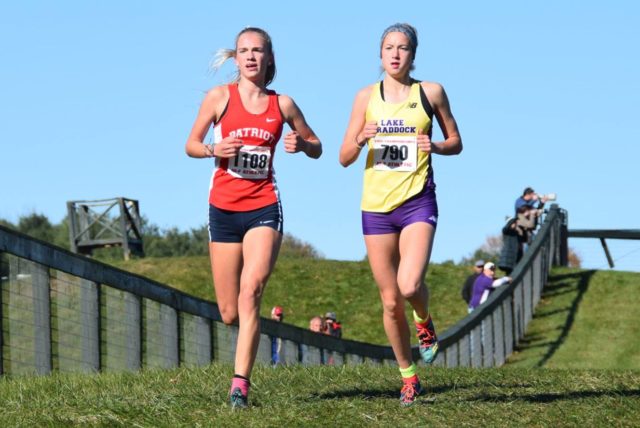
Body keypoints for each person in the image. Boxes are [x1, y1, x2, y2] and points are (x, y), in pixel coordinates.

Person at [185, 27, 322, 409]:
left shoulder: (283, 105)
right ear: (236, 58)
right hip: (224, 210)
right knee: (230, 312)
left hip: (264, 206)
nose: (250, 57)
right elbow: (191, 144)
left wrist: (301, 144)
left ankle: (239, 387)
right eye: (243, 51)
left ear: (269, 58)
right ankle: (243, 349)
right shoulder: (219, 98)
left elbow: (317, 146)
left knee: (252, 292)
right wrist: (215, 147)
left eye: (257, 51)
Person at [339, 23, 462, 406]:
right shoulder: (365, 98)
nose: (395, 54)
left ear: (413, 54)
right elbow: (343, 157)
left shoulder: (430, 93)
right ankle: (408, 376)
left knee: (410, 286)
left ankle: (423, 322)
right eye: (389, 48)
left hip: (417, 202)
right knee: (390, 300)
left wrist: (436, 146)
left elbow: (456, 141)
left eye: (403, 48)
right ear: (380, 55)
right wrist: (360, 139)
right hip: (375, 209)